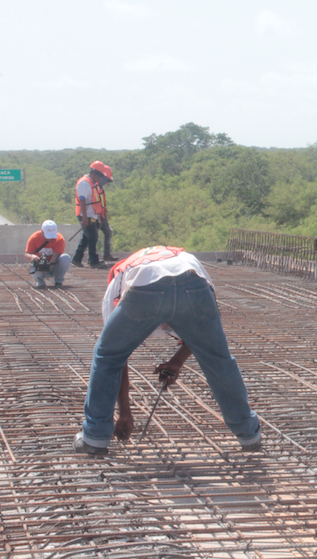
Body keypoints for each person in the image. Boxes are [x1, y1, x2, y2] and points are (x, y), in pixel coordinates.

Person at [73, 245, 262, 455]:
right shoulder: (181, 258)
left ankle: (95, 437)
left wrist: (124, 412)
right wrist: (177, 361)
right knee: (218, 360)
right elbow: (204, 338)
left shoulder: (118, 280)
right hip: (193, 280)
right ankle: (249, 434)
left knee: (107, 356)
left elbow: (116, 357)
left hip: (145, 286)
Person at [72, 160, 117, 268]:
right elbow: (82, 200)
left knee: (87, 238)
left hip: (91, 215)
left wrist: (99, 216)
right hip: (86, 215)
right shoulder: (84, 183)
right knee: (93, 237)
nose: (101, 179)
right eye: (100, 176)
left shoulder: (92, 183)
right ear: (94, 173)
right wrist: (85, 218)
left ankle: (77, 259)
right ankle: (93, 261)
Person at [24, 220, 71, 289]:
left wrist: (49, 266)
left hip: (53, 267)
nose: (50, 238)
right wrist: (32, 257)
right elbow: (27, 255)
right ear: (42, 231)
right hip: (39, 268)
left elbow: (55, 257)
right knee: (32, 266)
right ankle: (40, 282)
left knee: (65, 257)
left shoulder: (59, 239)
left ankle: (58, 281)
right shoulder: (34, 238)